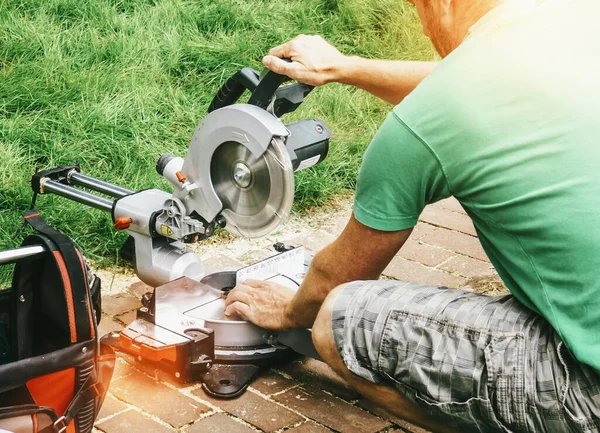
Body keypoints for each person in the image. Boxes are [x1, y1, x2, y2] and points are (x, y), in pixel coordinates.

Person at [225, 0, 600, 431]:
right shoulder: (575, 21)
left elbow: (340, 275)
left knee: (337, 316)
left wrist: (289, 312)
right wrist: (345, 67)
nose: (423, 31)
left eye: (417, 10)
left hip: (588, 392)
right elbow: (473, 83)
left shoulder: (421, 124)